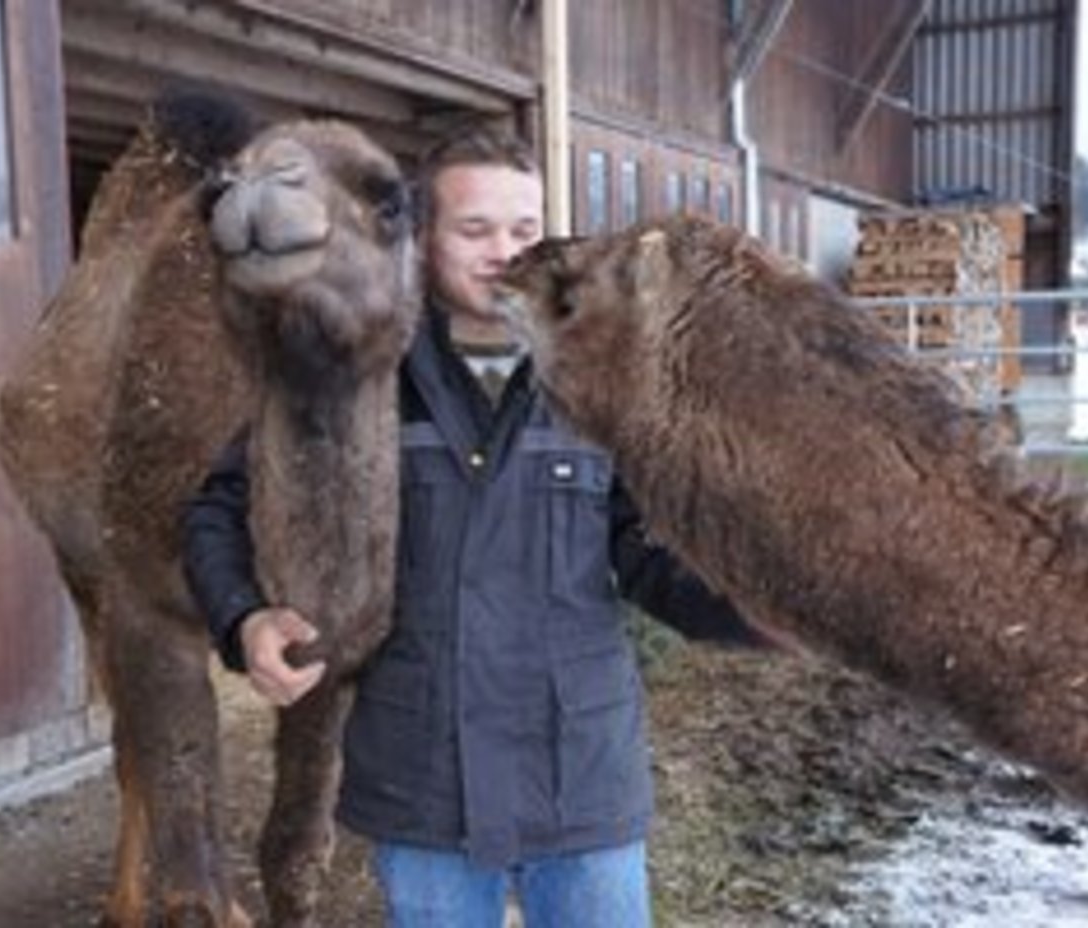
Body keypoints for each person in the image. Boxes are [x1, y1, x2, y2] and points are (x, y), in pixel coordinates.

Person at [181, 127, 762, 927]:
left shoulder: (605, 374)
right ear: (424, 238)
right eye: (475, 229)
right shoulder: (350, 373)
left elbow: (650, 551)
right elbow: (218, 508)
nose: (505, 253)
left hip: (580, 778)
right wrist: (244, 620)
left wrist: (769, 608)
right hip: (425, 779)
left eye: (525, 229)